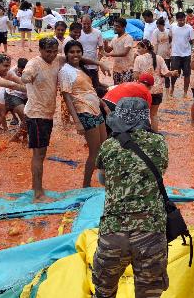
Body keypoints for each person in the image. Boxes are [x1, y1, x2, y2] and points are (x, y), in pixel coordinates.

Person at [93, 97, 169, 298]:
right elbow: (159, 172)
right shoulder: (159, 144)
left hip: (112, 234)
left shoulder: (108, 147)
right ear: (145, 118)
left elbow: (102, 179)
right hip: (150, 235)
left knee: (104, 295)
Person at [22, 37, 106, 201]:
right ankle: (38, 194)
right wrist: (25, 78)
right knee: (38, 155)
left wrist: (99, 63)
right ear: (40, 50)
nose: (52, 55)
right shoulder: (34, 63)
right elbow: (26, 75)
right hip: (36, 114)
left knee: (41, 153)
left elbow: (77, 57)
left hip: (47, 113)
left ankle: (36, 187)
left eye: (54, 51)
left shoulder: (57, 60)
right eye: (48, 51)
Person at [59, 40, 107, 188]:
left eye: (78, 51)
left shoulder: (81, 68)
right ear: (66, 54)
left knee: (104, 148)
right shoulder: (65, 71)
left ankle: (105, 180)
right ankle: (85, 185)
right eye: (72, 52)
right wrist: (77, 121)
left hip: (96, 110)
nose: (75, 54)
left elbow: (89, 90)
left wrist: (103, 104)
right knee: (94, 152)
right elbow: (67, 97)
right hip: (84, 112)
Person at [133, 39, 177, 133]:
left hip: (143, 91)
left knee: (141, 115)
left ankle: (142, 135)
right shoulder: (159, 58)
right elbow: (166, 73)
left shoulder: (138, 58)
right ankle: (155, 135)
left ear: (145, 48)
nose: (137, 50)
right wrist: (172, 73)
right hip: (157, 91)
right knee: (154, 115)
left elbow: (136, 76)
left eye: (139, 48)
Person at [169, 12, 194, 98]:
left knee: (187, 74)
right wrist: (169, 47)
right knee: (174, 73)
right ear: (176, 19)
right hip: (175, 53)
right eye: (179, 20)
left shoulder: (189, 28)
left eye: (183, 20)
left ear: (185, 19)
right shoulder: (172, 26)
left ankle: (185, 92)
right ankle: (172, 88)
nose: (181, 22)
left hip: (186, 54)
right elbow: (170, 37)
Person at [104, 17, 135, 85]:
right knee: (117, 89)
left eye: (117, 26)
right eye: (114, 26)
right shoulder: (114, 38)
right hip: (116, 69)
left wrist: (110, 54)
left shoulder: (128, 38)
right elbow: (108, 50)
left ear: (124, 27)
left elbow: (124, 53)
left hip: (127, 69)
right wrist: (105, 44)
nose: (115, 28)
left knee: (126, 90)